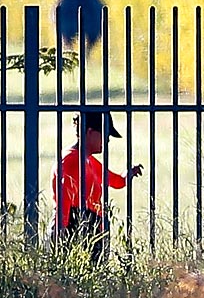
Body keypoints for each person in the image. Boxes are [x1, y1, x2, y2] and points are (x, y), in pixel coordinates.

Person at [49, 111, 143, 262]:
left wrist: (129, 174)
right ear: (89, 131)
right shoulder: (71, 161)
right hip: (76, 232)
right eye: (104, 134)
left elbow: (116, 181)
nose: (107, 140)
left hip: (88, 233)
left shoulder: (87, 160)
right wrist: (60, 238)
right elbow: (64, 203)